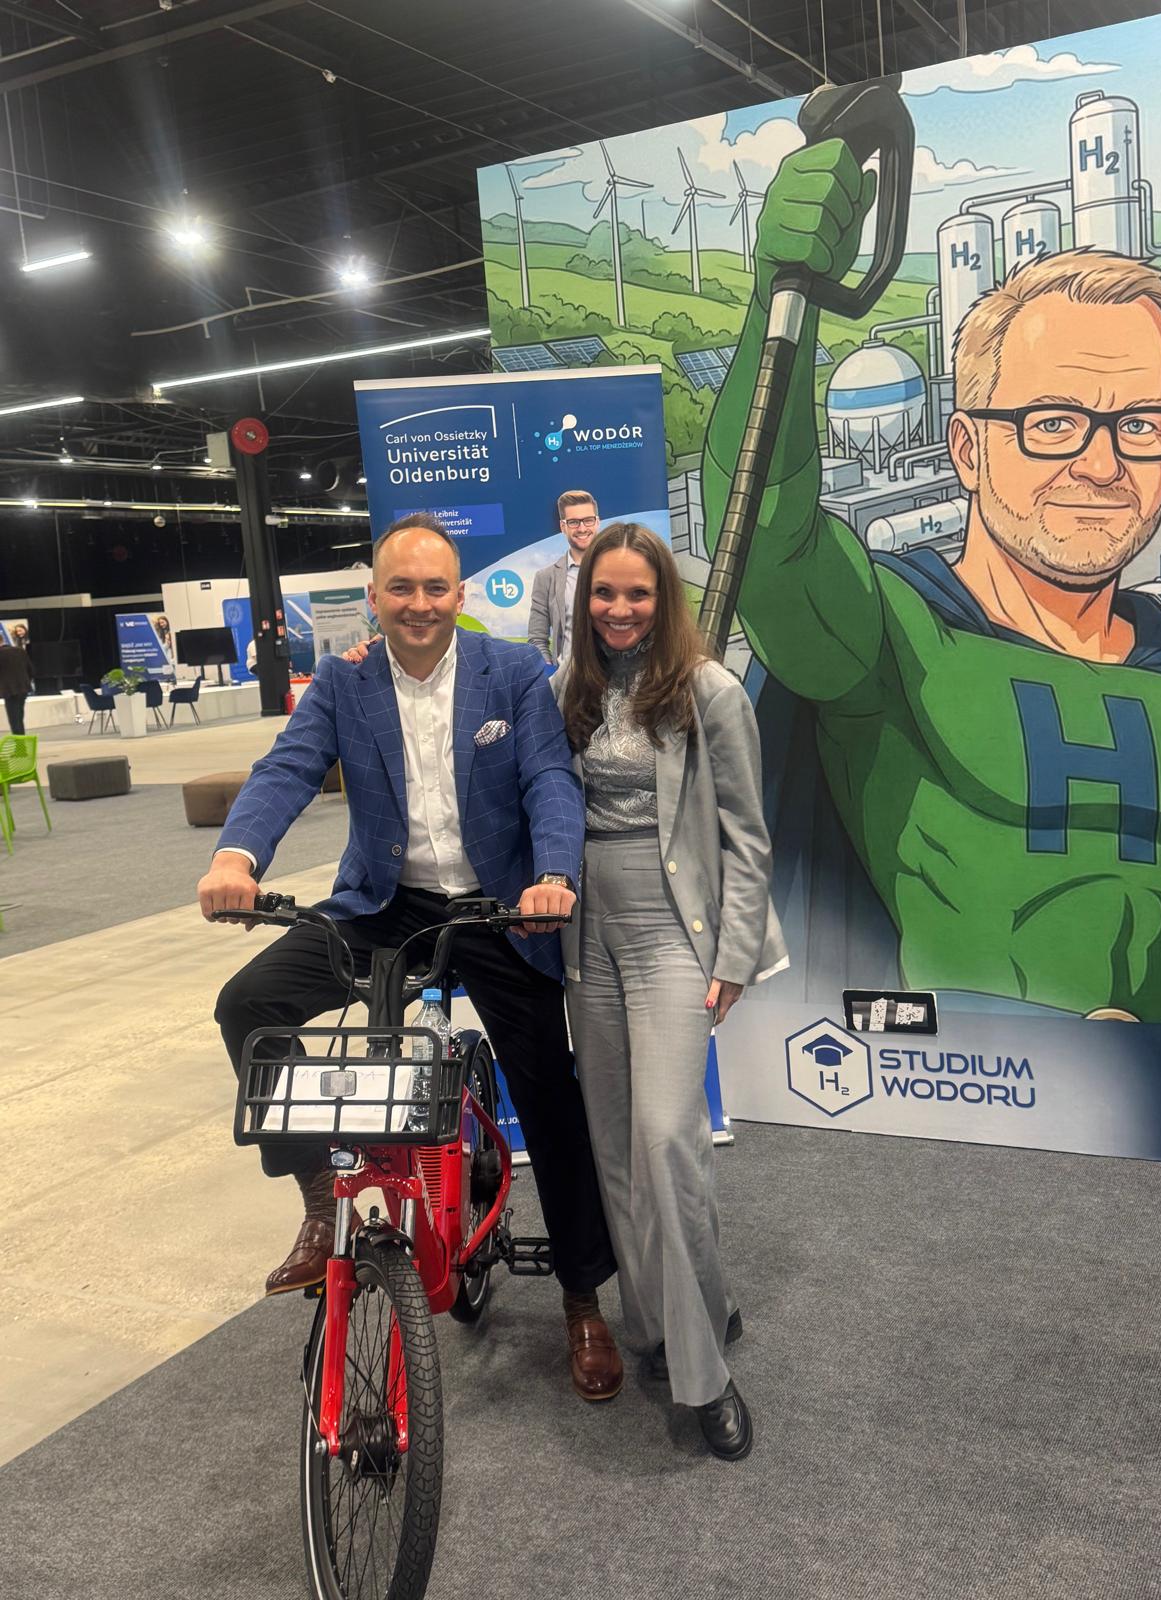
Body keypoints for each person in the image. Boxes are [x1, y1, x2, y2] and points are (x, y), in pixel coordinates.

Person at [704, 138, 1161, 1024]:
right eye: (1054, 423)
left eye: (1141, 425)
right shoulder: (892, 633)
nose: (1102, 465)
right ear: (967, 449)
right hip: (969, 1094)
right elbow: (768, 537)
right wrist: (784, 299)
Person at [198, 512, 623, 1403]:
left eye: (436, 588)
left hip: (500, 907)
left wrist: (552, 875)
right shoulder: (343, 680)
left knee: (549, 1091)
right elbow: (288, 768)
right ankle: (321, 1197)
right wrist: (237, 858)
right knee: (248, 1004)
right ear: (375, 597)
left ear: (459, 595)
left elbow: (549, 778)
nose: (419, 603)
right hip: (384, 905)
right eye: (402, 587)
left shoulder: (512, 672)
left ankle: (583, 1296)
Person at [555, 521, 786, 1460]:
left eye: (637, 593)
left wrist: (734, 955)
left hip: (673, 932)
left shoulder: (708, 690)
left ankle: (706, 1375)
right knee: (616, 1148)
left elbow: (748, 836)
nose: (619, 610)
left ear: (665, 599)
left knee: (666, 1138)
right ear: (584, 600)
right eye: (604, 593)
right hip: (585, 938)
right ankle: (663, 1321)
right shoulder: (566, 688)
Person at [527, 489, 600, 668]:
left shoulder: (619, 569)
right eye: (574, 522)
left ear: (597, 522)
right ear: (562, 527)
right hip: (568, 681)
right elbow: (537, 638)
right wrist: (550, 671)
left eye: (588, 520)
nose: (582, 528)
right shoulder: (546, 578)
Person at [0, 640, 34, 735]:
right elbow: (31, 670)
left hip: (9, 690)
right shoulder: (20, 651)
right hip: (23, 688)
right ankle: (21, 740)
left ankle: (19, 742)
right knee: (19, 717)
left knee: (14, 720)